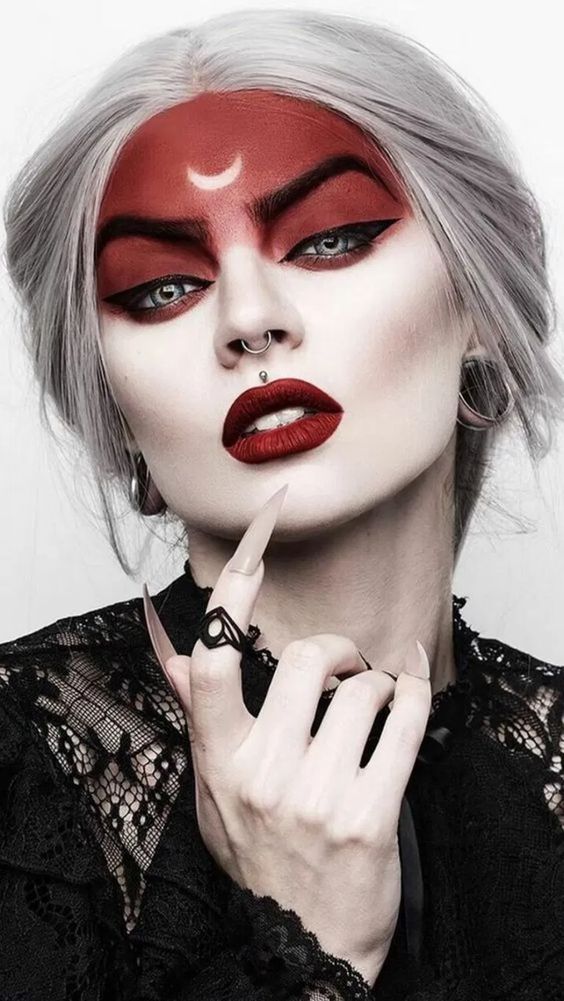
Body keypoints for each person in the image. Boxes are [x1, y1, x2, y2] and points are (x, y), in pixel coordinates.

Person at [0, 7, 563, 999]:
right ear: (113, 405)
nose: (250, 319)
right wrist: (309, 947)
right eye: (161, 288)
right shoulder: (22, 763)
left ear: (479, 291)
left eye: (329, 239)